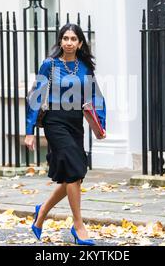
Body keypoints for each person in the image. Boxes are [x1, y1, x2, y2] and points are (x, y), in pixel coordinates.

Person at [24, 23, 106, 246]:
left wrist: (101, 125)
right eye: (65, 38)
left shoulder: (84, 68)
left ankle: (41, 213)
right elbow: (35, 97)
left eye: (73, 39)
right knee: (73, 170)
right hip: (55, 121)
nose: (69, 42)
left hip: (75, 123)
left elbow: (96, 97)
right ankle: (79, 226)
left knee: (75, 175)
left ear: (80, 43)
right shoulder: (49, 65)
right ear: (60, 41)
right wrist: (29, 131)